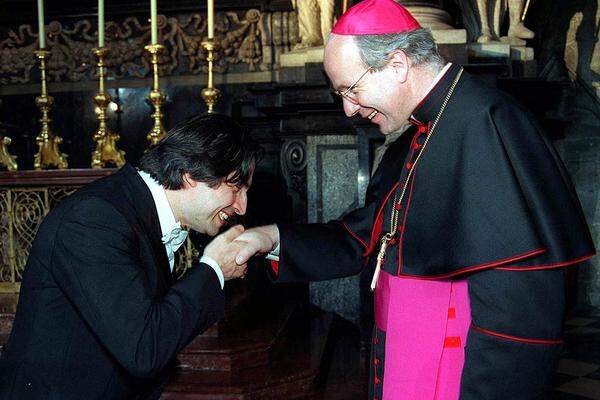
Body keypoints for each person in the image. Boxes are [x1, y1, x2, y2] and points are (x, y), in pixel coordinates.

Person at [233, 0, 596, 399]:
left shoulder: (487, 124)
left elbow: (518, 316)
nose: (349, 109)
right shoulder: (418, 133)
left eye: (350, 90)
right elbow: (363, 236)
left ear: (397, 65)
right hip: (405, 363)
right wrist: (270, 239)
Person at [0, 114, 261, 399]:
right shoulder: (94, 219)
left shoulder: (137, 209)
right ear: (189, 174)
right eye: (235, 188)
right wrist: (213, 269)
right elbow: (143, 349)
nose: (242, 206)